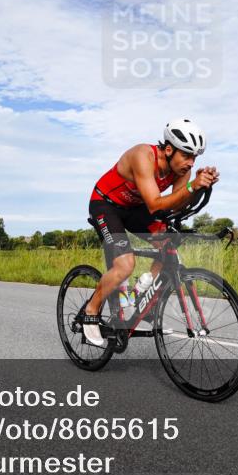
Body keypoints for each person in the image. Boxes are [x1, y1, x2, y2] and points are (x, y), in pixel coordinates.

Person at [82, 118, 219, 346]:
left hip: (136, 208)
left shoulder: (181, 170)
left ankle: (138, 296)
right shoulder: (143, 156)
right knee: (125, 265)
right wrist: (190, 187)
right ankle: (91, 310)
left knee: (168, 246)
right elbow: (156, 205)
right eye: (186, 155)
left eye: (194, 157)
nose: (190, 162)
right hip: (106, 205)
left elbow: (176, 204)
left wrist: (199, 187)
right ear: (168, 149)